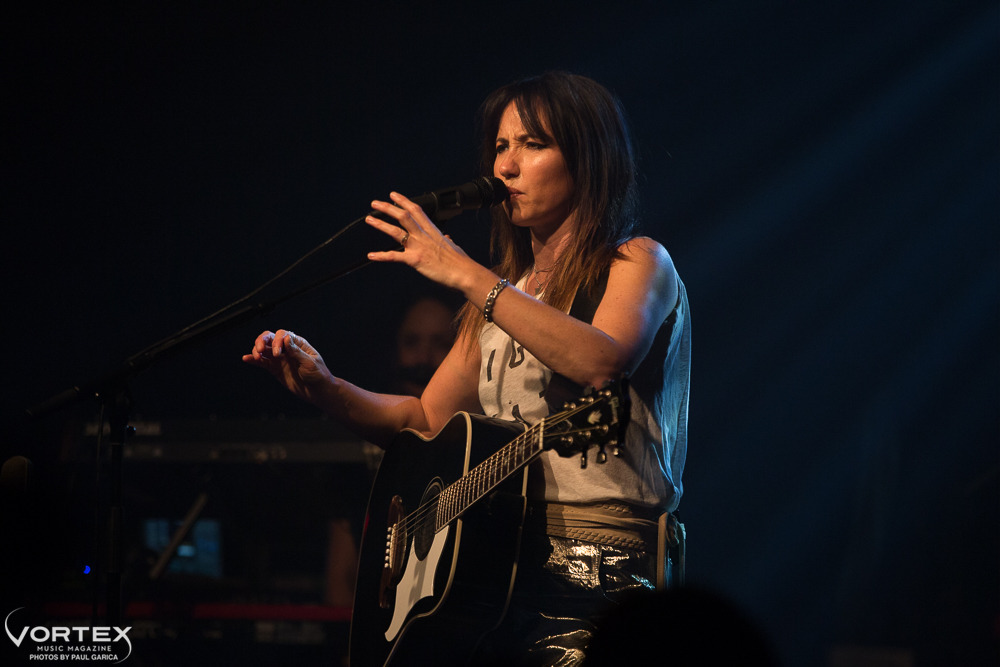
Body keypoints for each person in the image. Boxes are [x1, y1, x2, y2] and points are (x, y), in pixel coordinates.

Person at [242, 71, 690, 666]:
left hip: (603, 572)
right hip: (495, 567)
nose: (505, 167)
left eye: (533, 144)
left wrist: (464, 272)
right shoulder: (499, 302)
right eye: (501, 146)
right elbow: (426, 418)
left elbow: (601, 359)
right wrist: (327, 388)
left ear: (588, 157)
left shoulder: (636, 261)